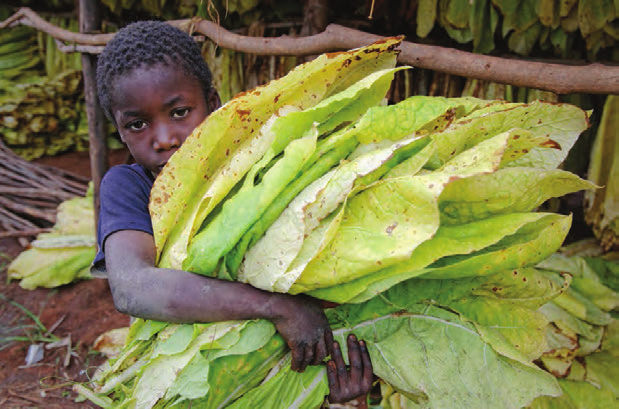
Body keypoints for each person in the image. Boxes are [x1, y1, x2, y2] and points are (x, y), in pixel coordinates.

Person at [92, 21, 373, 405]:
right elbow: (131, 287)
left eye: (179, 112)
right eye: (138, 124)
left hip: (293, 365)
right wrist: (276, 307)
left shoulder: (262, 164)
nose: (165, 139)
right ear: (120, 132)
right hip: (198, 376)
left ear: (213, 101)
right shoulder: (128, 187)